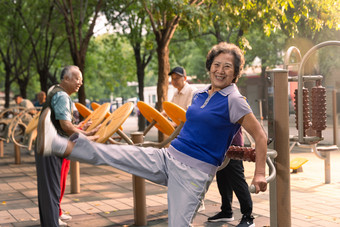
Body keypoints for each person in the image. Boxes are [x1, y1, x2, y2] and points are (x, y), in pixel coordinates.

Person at [36, 42, 268, 227]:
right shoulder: (200, 94)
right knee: (115, 153)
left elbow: (260, 136)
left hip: (193, 174)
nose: (220, 70)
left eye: (227, 66)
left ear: (236, 72)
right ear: (209, 66)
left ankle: (60, 145)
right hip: (168, 157)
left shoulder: (234, 100)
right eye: (217, 64)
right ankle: (59, 145)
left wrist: (258, 174)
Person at [35, 65, 98, 227]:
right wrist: (87, 136)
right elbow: (65, 126)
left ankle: (52, 219)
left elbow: (64, 124)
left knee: (50, 188)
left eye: (81, 80)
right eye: (77, 78)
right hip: (51, 146)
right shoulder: (62, 96)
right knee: (52, 188)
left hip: (49, 144)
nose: (80, 83)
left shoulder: (53, 90)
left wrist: (81, 128)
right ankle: (52, 222)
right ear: (66, 79)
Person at [208, 127, 255, 227]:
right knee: (222, 178)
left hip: (233, 146)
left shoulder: (233, 110)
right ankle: (226, 211)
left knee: (237, 181)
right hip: (220, 145)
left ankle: (248, 217)